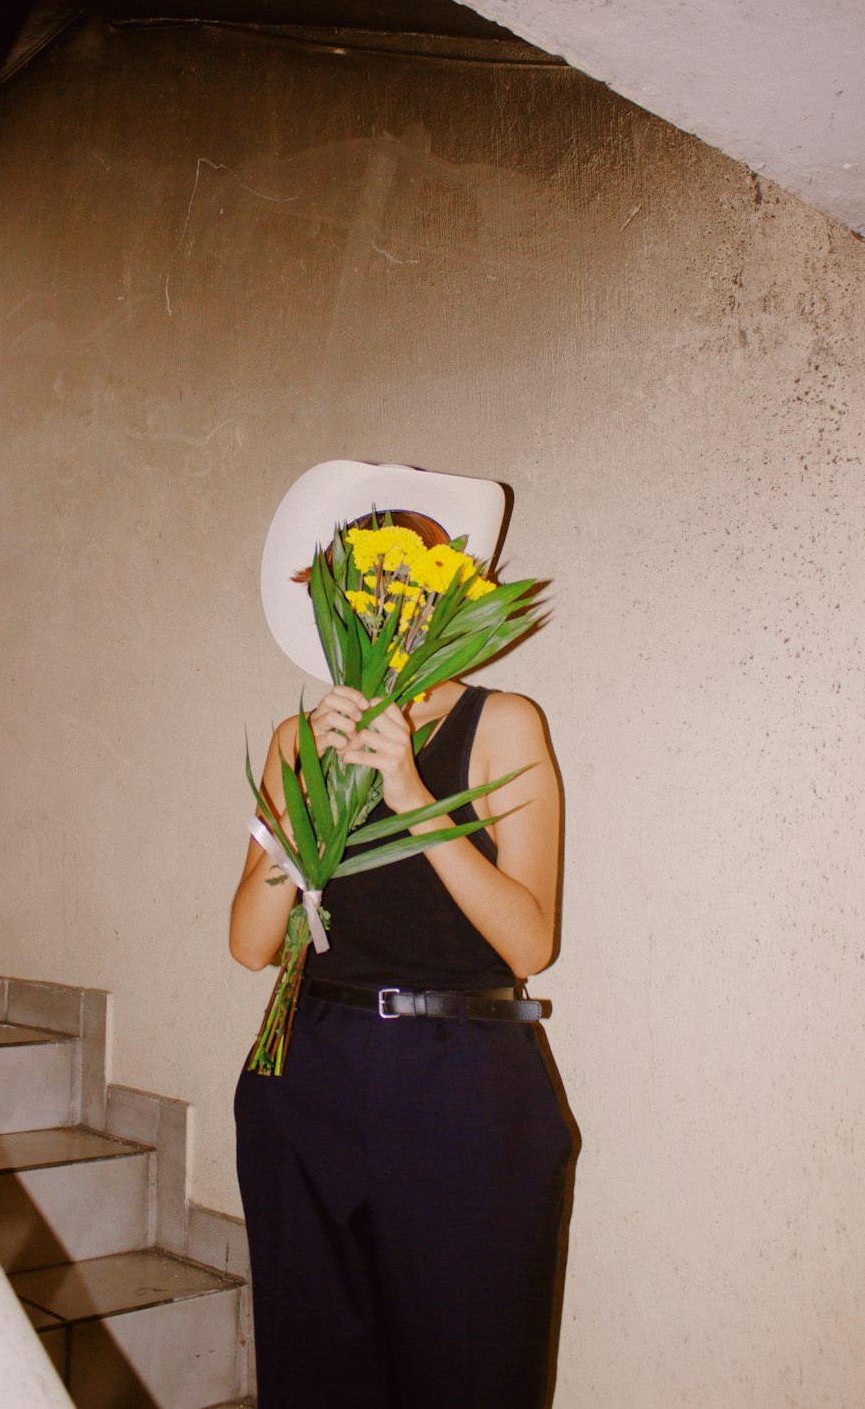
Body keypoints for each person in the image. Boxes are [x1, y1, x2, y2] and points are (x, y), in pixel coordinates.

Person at [230, 461, 573, 1409]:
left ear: (442, 598)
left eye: (401, 589)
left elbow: (530, 940)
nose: (383, 612)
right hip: (309, 1071)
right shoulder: (301, 740)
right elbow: (250, 943)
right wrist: (308, 803)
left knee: (470, 1365)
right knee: (314, 1373)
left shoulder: (503, 724)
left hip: (462, 1079)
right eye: (360, 593)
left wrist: (414, 798)